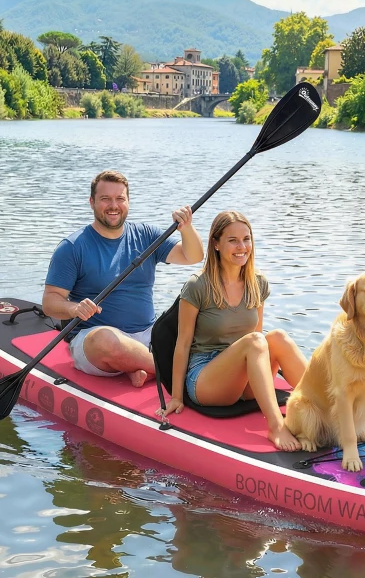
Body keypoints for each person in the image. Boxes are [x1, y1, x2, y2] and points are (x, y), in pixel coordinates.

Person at [160, 210, 307, 451]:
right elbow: (183, 343)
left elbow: (258, 336)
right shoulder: (198, 285)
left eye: (246, 239)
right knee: (255, 341)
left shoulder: (258, 282)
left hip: (243, 376)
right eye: (233, 240)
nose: (242, 247)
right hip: (206, 379)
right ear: (216, 244)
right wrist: (177, 397)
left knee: (277, 337)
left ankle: (329, 405)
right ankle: (275, 426)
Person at [43, 170, 204, 386]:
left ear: (128, 202)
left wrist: (187, 228)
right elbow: (50, 302)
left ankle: (136, 367)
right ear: (91, 202)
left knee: (199, 320)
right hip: (96, 339)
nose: (113, 206)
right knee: (105, 340)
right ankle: (173, 373)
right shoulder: (72, 247)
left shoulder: (146, 235)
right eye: (105, 199)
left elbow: (193, 256)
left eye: (120, 198)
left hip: (148, 336)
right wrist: (74, 309)